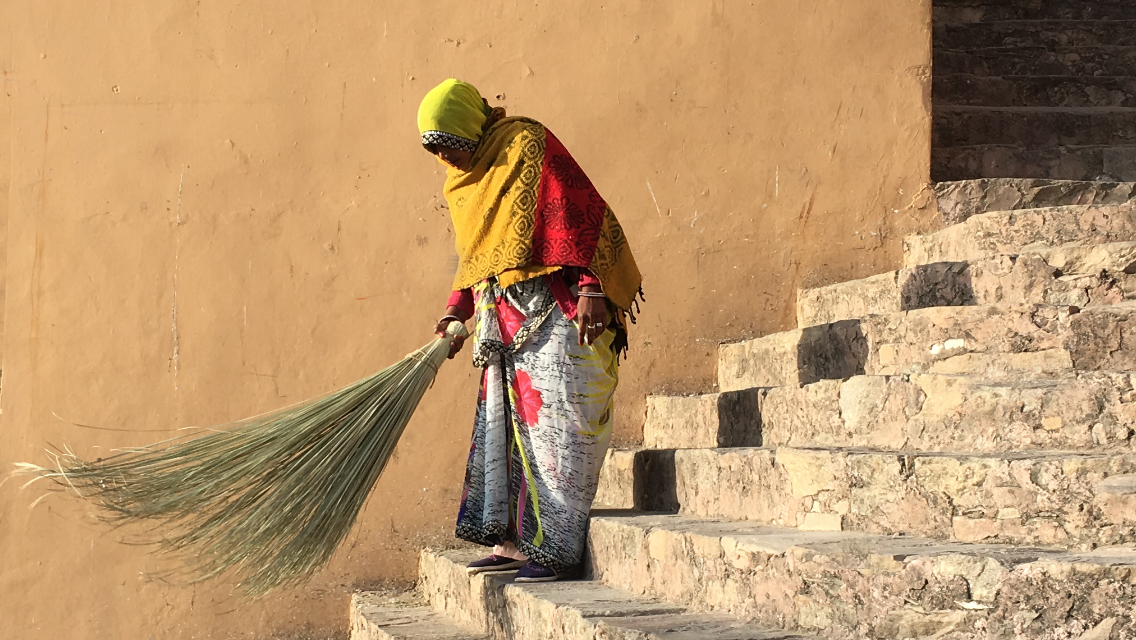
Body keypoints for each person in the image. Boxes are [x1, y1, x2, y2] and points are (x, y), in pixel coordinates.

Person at [419, 79, 643, 583]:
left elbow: (571, 212)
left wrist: (590, 287)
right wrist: (456, 312)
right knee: (509, 435)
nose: (446, 156)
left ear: (470, 125)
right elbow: (475, 256)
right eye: (434, 148)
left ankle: (557, 549)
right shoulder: (462, 183)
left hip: (557, 313)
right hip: (504, 324)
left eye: (449, 142)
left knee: (559, 432)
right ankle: (514, 544)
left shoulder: (526, 144)